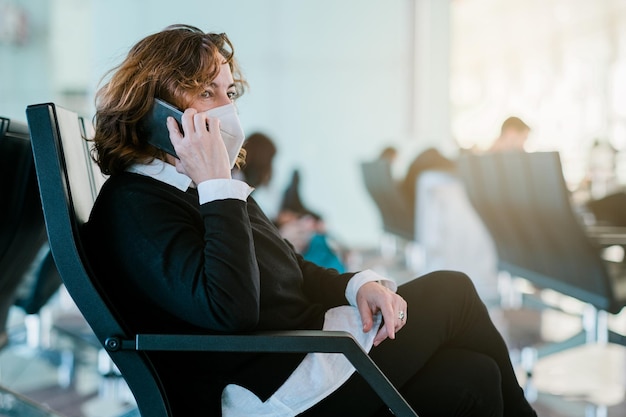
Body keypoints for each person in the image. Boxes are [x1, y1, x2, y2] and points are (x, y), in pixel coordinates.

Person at [84, 24, 537, 417]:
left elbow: (289, 268)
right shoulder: (136, 206)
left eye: (229, 92)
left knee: (475, 379)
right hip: (272, 389)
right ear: (156, 109)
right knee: (453, 292)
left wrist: (357, 285)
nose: (227, 109)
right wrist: (217, 186)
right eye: (207, 93)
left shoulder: (189, 185)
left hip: (307, 352)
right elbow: (230, 310)